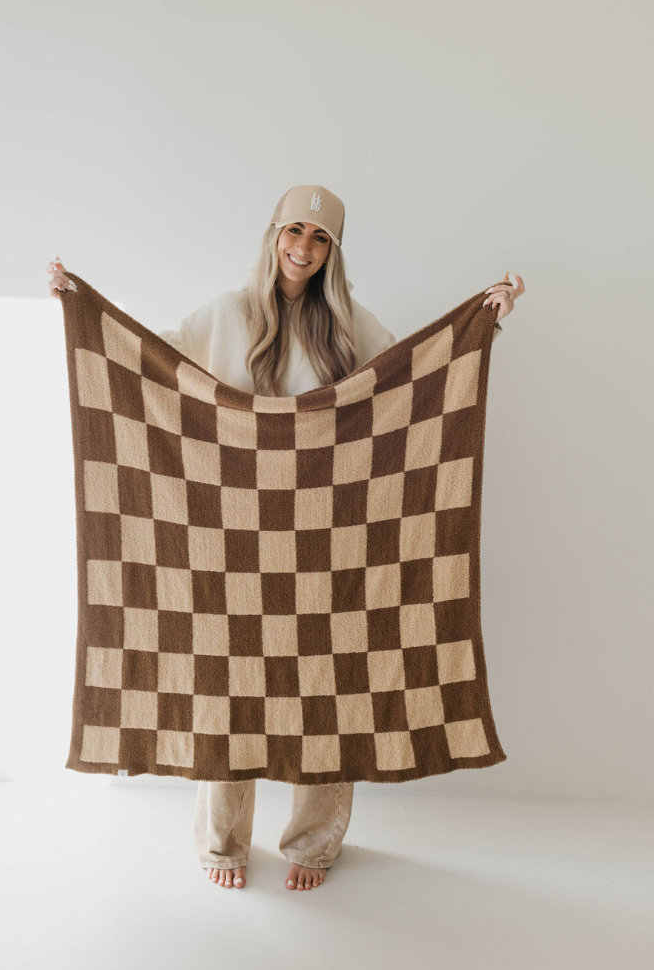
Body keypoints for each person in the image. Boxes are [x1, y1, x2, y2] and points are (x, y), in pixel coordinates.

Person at [47, 184, 524, 894]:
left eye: (320, 236)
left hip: (327, 537)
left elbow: (410, 379)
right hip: (228, 530)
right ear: (273, 233)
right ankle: (221, 842)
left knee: (329, 685)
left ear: (334, 250)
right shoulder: (225, 313)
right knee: (226, 684)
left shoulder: (348, 322)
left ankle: (314, 841)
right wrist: (81, 308)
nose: (303, 247)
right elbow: (155, 364)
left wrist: (484, 322)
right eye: (293, 230)